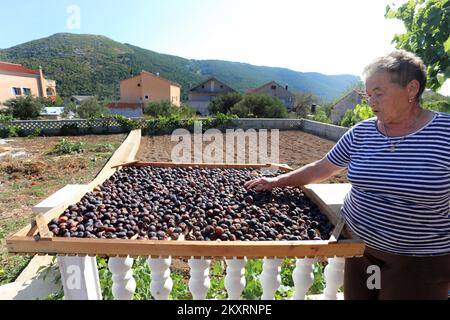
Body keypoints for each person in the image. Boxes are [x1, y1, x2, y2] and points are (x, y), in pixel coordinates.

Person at [245, 50, 450, 300]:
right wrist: (277, 181)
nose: (371, 101)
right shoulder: (362, 132)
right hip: (360, 251)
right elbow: (322, 168)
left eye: (379, 93)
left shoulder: (444, 133)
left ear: (411, 89)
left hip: (419, 263)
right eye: (368, 94)